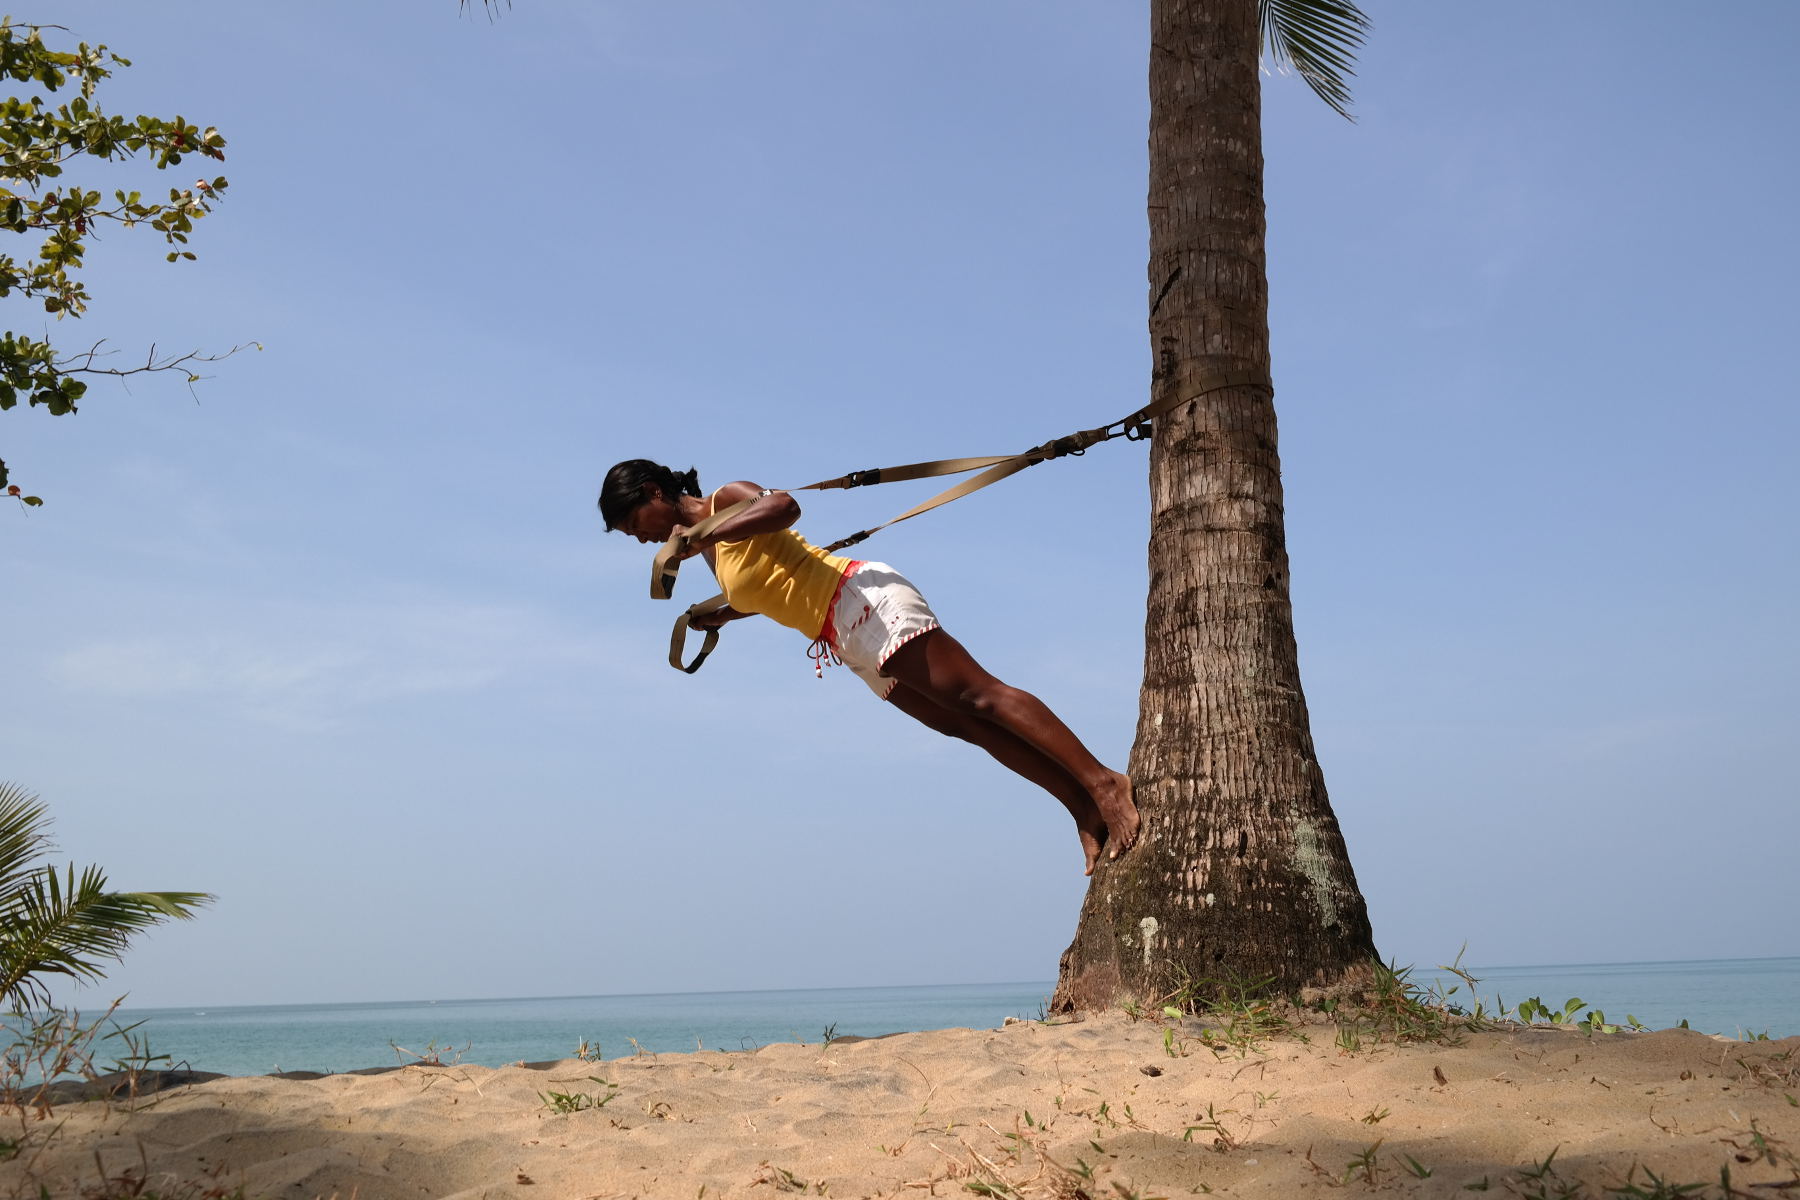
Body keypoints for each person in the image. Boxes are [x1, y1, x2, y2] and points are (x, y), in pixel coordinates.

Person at [599, 459, 1139, 875]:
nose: (640, 538)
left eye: (633, 524)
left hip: (859, 600)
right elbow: (765, 591)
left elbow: (786, 508)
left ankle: (1104, 782)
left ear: (653, 493)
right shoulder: (713, 553)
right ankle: (1079, 805)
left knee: (979, 695)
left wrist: (707, 533)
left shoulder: (727, 499)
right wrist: (718, 615)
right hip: (842, 638)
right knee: (966, 725)